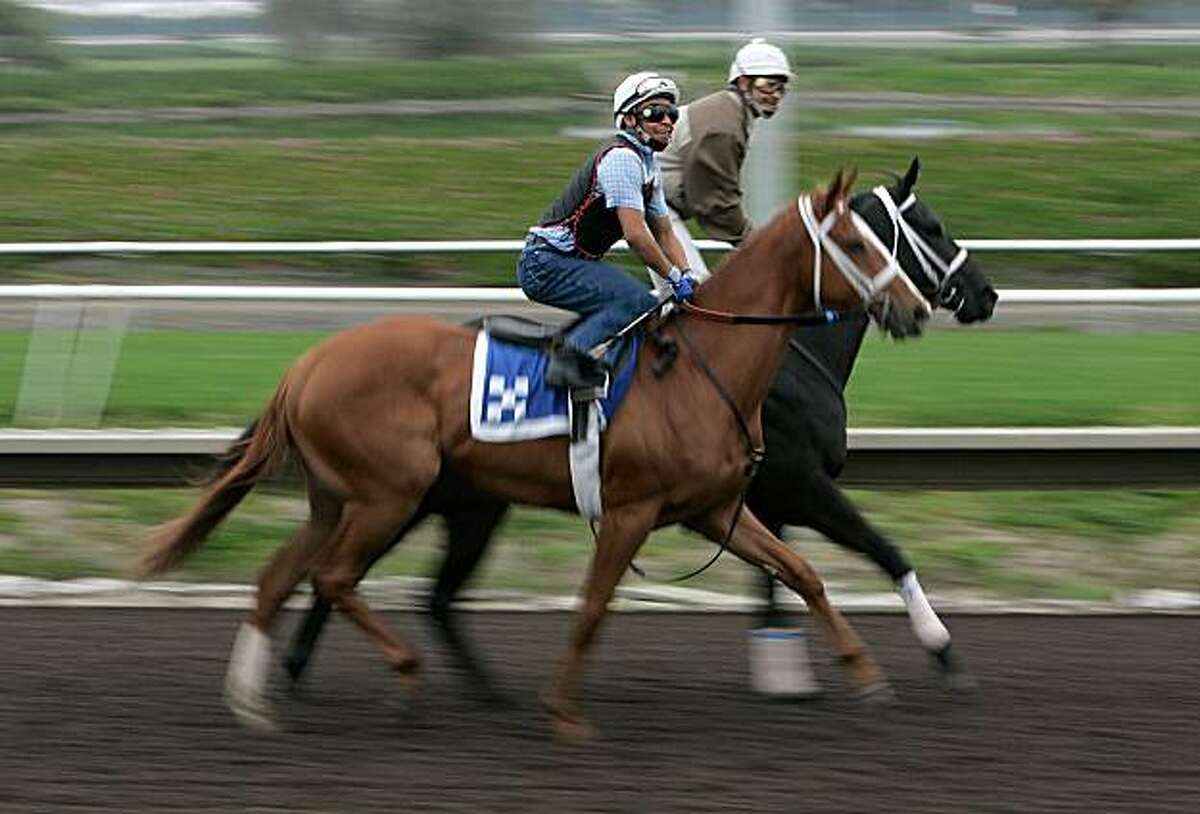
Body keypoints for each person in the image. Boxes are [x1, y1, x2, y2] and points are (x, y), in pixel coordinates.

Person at [517, 71, 697, 389]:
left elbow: (665, 233)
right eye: (655, 113)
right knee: (635, 302)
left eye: (672, 113)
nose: (668, 121)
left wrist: (688, 275)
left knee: (640, 307)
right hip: (545, 264)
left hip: (572, 262)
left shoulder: (648, 166)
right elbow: (637, 235)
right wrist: (672, 277)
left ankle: (596, 364)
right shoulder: (622, 160)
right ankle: (566, 361)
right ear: (629, 120)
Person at [655, 38, 792, 288]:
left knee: (686, 297)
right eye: (768, 85)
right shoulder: (723, 127)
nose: (776, 95)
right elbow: (715, 203)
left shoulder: (733, 112)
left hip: (655, 206)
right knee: (694, 295)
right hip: (649, 207)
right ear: (743, 82)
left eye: (782, 88)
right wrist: (756, 243)